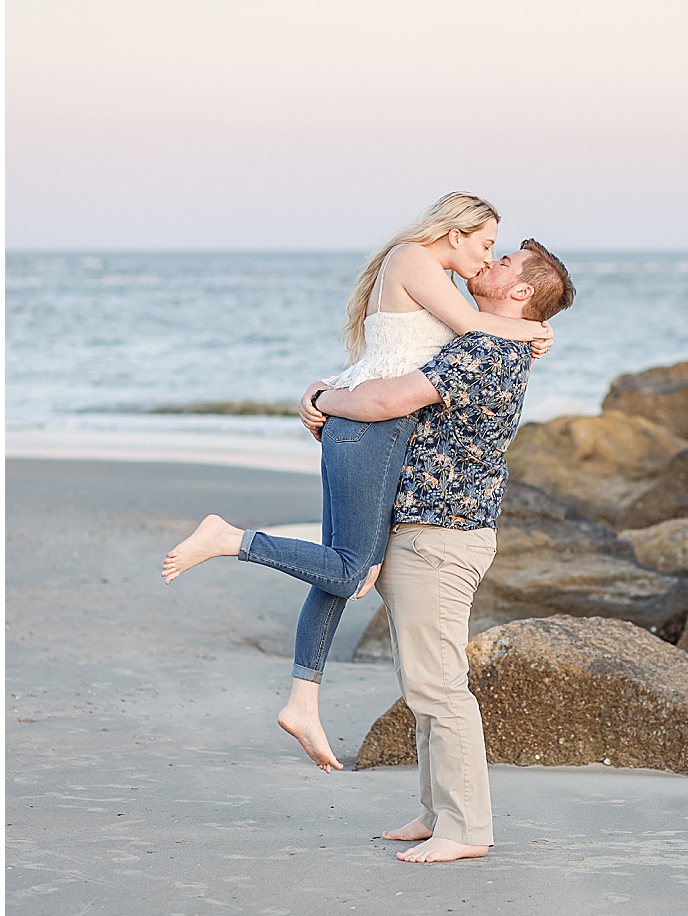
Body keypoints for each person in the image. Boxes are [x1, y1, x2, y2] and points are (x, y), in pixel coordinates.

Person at [161, 194, 551, 759]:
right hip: (370, 434)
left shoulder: (422, 271)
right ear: (455, 232)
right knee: (349, 569)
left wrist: (321, 391)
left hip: (364, 433)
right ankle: (229, 538)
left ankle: (302, 699)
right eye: (486, 244)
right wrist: (535, 330)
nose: (487, 259)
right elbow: (463, 331)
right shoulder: (415, 258)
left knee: (343, 568)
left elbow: (405, 353)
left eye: (498, 253)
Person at [299, 239, 575, 862]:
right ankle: (436, 812)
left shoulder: (488, 346)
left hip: (442, 534)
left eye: (504, 262)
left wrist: (323, 403)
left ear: (522, 291)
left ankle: (467, 829)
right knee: (422, 681)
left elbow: (388, 401)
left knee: (440, 688)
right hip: (427, 527)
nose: (491, 262)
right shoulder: (492, 335)